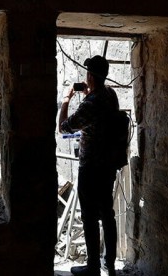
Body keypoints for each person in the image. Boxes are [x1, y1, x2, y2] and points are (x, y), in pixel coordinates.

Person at [58, 55, 119, 276]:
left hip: (91, 167)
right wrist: (88, 93)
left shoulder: (91, 102)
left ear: (90, 76)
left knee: (89, 217)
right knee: (108, 214)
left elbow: (64, 128)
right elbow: (100, 113)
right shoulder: (110, 94)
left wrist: (66, 99)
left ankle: (93, 266)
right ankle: (109, 264)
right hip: (108, 166)